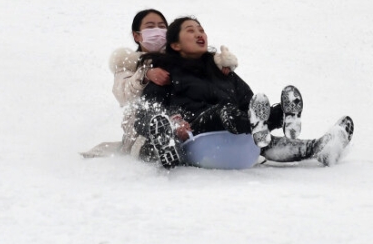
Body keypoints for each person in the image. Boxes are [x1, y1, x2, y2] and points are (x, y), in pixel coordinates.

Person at [135, 16, 354, 168]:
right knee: (227, 112)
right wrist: (172, 125)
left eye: (201, 30)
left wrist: (263, 115)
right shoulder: (166, 73)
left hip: (240, 139)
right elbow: (143, 116)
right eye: (191, 31)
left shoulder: (223, 72)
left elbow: (251, 104)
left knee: (258, 129)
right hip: (197, 137)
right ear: (175, 45)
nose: (199, 34)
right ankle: (259, 126)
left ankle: (315, 142)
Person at [80, 9, 238, 158]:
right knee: (154, 133)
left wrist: (218, 64)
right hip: (143, 130)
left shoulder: (179, 58)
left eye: (162, 27)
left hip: (185, 121)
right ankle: (161, 144)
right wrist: (145, 75)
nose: (157, 31)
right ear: (137, 36)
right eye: (150, 27)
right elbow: (123, 94)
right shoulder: (127, 63)